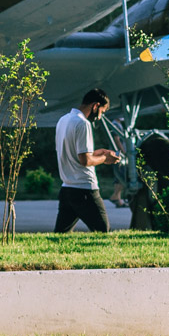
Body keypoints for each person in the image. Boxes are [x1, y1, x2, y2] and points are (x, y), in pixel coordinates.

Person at [53, 89, 121, 233]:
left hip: (67, 189)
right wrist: (105, 158)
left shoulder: (63, 120)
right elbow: (85, 161)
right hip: (85, 190)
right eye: (102, 112)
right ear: (95, 106)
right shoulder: (83, 124)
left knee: (61, 236)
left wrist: (97, 153)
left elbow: (73, 154)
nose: (100, 117)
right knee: (103, 232)